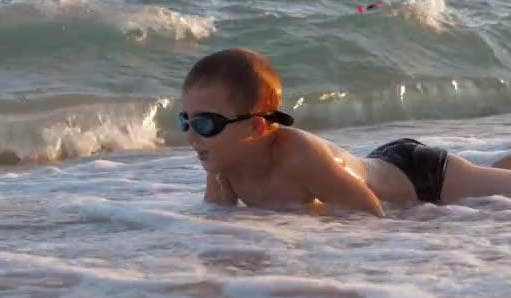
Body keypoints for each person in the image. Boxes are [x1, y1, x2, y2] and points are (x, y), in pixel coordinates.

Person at [177, 48, 511, 217]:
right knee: (487, 181)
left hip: (420, 177)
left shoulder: (298, 154)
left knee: (498, 187)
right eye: (186, 122)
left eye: (206, 124)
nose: (193, 137)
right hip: (378, 166)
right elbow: (219, 220)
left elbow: (369, 211)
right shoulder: (223, 163)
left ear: (256, 126)